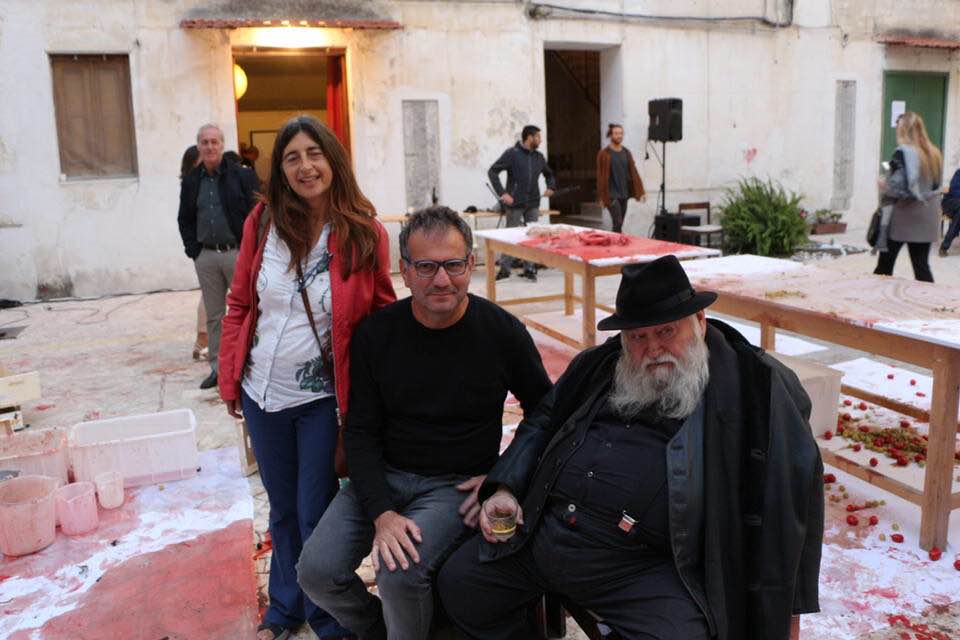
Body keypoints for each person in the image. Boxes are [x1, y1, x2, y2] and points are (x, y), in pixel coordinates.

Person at [439, 255, 824, 640]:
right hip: (549, 531)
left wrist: (788, 616)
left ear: (700, 322)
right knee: (460, 584)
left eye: (667, 332)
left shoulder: (754, 385)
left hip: (641, 567)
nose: (653, 348)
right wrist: (504, 485)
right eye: (638, 337)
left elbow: (793, 503)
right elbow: (542, 421)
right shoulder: (599, 364)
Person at [296, 206, 553, 640]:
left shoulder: (502, 333)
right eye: (427, 266)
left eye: (454, 265)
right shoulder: (377, 335)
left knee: (399, 572)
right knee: (316, 572)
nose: (441, 280)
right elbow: (360, 431)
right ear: (405, 271)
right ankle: (380, 630)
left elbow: (547, 412)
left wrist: (504, 475)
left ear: (471, 264)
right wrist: (382, 513)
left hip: (452, 486)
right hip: (383, 476)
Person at [219, 114, 396, 640]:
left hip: (322, 399)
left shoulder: (365, 234)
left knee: (313, 507)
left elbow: (383, 317)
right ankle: (283, 609)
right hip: (261, 394)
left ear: (333, 161)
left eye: (313, 154)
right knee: (281, 509)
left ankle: (326, 615)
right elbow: (240, 303)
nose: (304, 166)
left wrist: (383, 396)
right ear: (281, 170)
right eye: (292, 157)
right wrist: (231, 377)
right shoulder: (263, 223)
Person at [178, 123, 261, 389]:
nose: (210, 147)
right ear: (199, 146)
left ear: (222, 145)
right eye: (205, 142)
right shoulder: (191, 182)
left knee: (249, 310)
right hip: (207, 257)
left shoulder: (241, 176)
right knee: (214, 316)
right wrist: (194, 251)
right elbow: (185, 219)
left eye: (214, 142)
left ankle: (251, 363)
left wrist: (253, 250)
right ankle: (218, 368)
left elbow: (258, 213)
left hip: (237, 254)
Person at [873, 111, 943, 282]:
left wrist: (884, 185)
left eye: (898, 127)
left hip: (903, 218)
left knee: (885, 265)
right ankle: (929, 303)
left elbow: (897, 188)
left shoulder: (902, 152)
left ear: (903, 129)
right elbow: (935, 184)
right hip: (927, 215)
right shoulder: (933, 152)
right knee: (921, 266)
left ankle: (874, 300)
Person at [488, 125, 557, 281]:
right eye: (538, 137)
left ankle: (529, 269)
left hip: (533, 203)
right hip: (514, 203)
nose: (540, 140)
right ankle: (505, 269)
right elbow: (493, 171)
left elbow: (549, 174)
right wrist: (503, 194)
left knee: (532, 236)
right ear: (529, 137)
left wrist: (551, 186)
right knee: (510, 236)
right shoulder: (512, 154)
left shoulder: (539, 157)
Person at [179, 144, 207, 361]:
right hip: (204, 250)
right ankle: (203, 339)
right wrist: (194, 249)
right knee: (209, 295)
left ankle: (207, 339)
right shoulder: (192, 187)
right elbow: (185, 220)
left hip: (217, 249)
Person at [596, 123, 646, 233]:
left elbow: (634, 172)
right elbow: (600, 176)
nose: (619, 136)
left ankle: (614, 243)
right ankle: (617, 244)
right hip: (611, 194)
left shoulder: (626, 152)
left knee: (620, 222)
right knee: (617, 221)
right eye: (616, 133)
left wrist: (641, 191)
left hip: (624, 193)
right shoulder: (604, 154)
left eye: (621, 133)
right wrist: (601, 196)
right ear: (610, 135)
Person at [938, 167, 960, 256]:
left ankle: (944, 246)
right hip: (950, 202)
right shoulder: (959, 173)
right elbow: (954, 190)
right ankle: (944, 246)